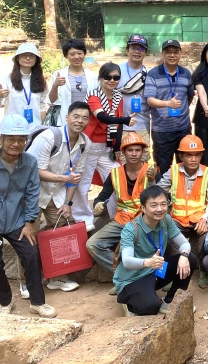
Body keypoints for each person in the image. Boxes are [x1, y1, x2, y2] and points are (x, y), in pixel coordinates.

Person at [0, 114, 57, 318]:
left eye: (21, 139)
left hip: (16, 220)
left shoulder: (30, 162)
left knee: (31, 255)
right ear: (0, 139)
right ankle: (6, 302)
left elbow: (32, 194)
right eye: (11, 139)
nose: (16, 144)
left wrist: (29, 223)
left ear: (26, 141)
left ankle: (38, 302)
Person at [26, 102, 91, 294]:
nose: (80, 121)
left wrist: (68, 203)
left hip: (55, 193)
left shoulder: (85, 143)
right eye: (76, 116)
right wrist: (64, 178)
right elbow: (34, 171)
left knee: (64, 227)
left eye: (85, 118)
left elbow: (76, 176)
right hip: (32, 192)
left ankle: (56, 277)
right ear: (67, 117)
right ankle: (26, 281)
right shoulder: (49, 137)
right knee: (28, 236)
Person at [114, 185, 197, 316]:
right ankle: (129, 302)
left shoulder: (166, 220)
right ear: (143, 208)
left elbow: (184, 243)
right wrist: (148, 262)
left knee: (190, 259)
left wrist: (184, 256)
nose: (159, 209)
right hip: (132, 279)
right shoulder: (131, 229)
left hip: (155, 271)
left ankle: (170, 301)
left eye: (163, 204)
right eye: (154, 205)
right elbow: (127, 261)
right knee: (150, 307)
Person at [87, 133, 157, 286]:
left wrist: (152, 181)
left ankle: (137, 278)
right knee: (92, 244)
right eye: (130, 150)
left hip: (143, 222)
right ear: (123, 152)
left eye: (137, 150)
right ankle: (124, 275)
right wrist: (98, 205)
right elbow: (101, 197)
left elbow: (158, 199)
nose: (134, 154)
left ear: (143, 152)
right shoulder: (115, 173)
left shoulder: (150, 171)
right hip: (122, 220)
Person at [77, 62, 135, 228]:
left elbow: (119, 122)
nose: (112, 80)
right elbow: (102, 117)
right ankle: (84, 219)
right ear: (100, 78)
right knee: (83, 183)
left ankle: (118, 214)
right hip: (89, 145)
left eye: (116, 77)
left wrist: (117, 147)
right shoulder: (93, 95)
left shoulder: (118, 96)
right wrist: (125, 120)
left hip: (107, 147)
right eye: (107, 77)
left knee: (118, 178)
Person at [156, 134, 208, 288]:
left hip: (199, 219)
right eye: (189, 155)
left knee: (206, 235)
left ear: (201, 156)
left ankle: (204, 271)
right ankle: (171, 274)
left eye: (197, 155)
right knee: (166, 234)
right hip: (177, 220)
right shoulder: (173, 171)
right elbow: (158, 191)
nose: (193, 159)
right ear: (181, 156)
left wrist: (205, 218)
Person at [144, 39, 194, 175]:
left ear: (180, 54)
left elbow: (189, 96)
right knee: (163, 169)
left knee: (185, 168)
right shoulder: (153, 74)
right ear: (163, 54)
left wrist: (182, 109)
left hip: (183, 129)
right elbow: (150, 100)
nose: (172, 55)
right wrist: (168, 104)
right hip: (162, 131)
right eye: (168, 52)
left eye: (175, 52)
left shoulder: (186, 73)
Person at [0, 43, 47, 129]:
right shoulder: (6, 80)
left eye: (31, 55)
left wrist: (42, 127)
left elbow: (42, 106)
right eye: (24, 55)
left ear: (36, 59)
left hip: (34, 129)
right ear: (17, 58)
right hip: (13, 129)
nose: (28, 58)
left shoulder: (41, 81)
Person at [47, 38, 99, 127]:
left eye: (79, 53)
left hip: (87, 121)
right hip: (65, 120)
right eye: (72, 54)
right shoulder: (59, 75)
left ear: (84, 54)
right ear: (66, 55)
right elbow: (52, 101)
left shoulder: (93, 76)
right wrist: (55, 85)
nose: (76, 57)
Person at [118, 34, 152, 162]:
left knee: (143, 161)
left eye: (141, 49)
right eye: (133, 48)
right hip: (121, 125)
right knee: (122, 162)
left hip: (142, 125)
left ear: (145, 53)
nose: (137, 51)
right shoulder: (116, 71)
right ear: (127, 50)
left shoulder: (149, 74)